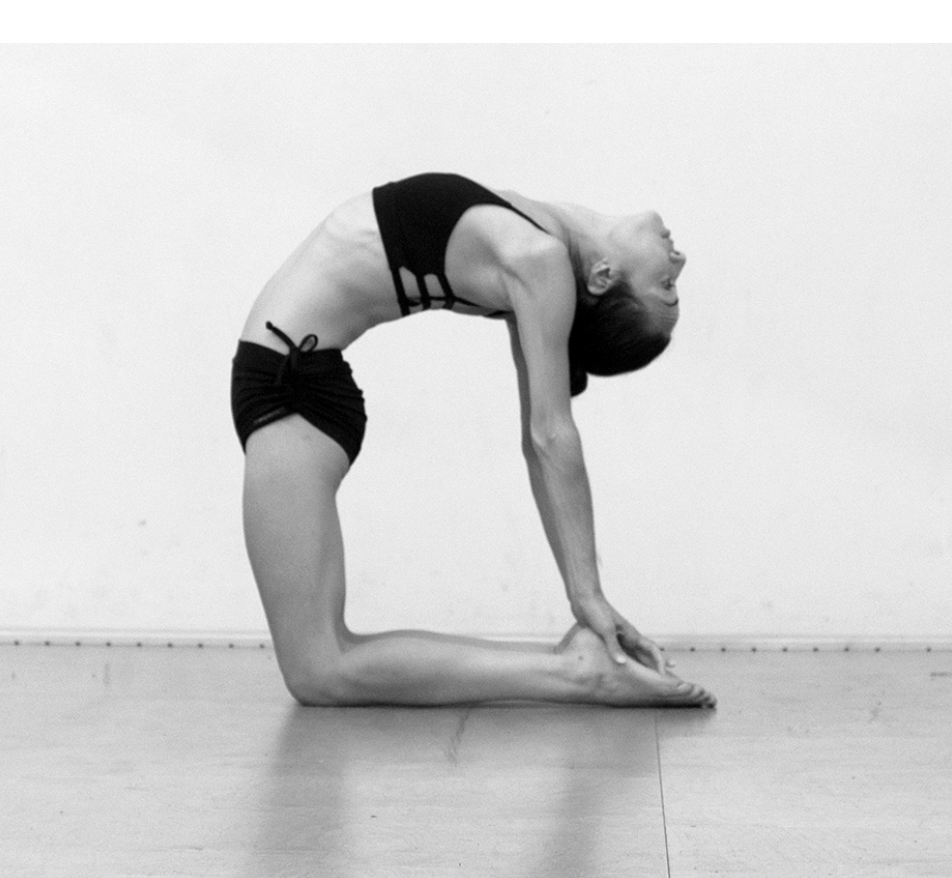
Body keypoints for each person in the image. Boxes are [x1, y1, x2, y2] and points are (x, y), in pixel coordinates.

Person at [232, 172, 715, 708]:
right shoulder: (536, 247)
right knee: (322, 663)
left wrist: (587, 596)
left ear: (602, 277)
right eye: (671, 287)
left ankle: (579, 672)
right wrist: (585, 596)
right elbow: (542, 439)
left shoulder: (536, 256)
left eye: (665, 286)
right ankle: (578, 667)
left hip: (291, 386)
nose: (680, 264)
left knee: (318, 671)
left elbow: (549, 434)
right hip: (294, 381)